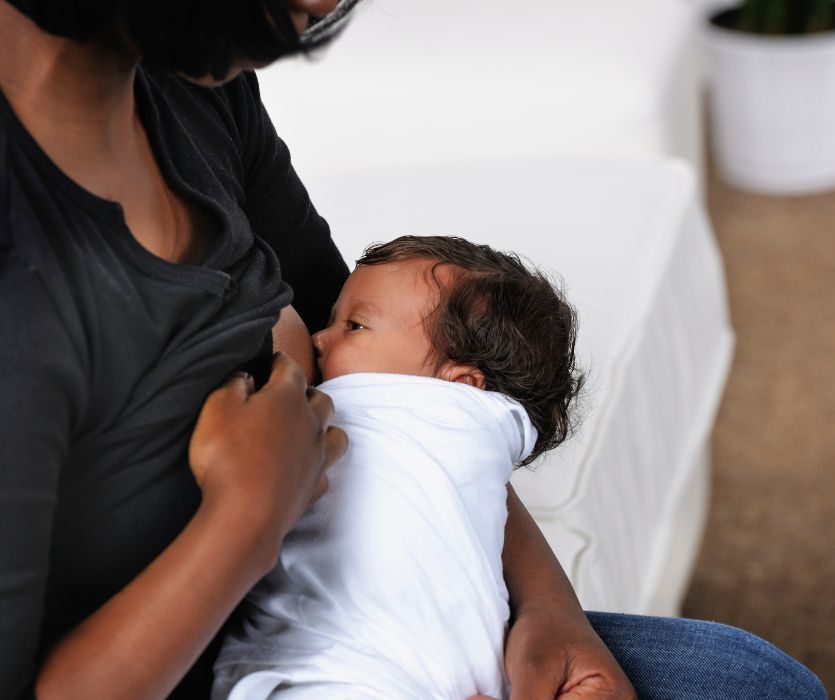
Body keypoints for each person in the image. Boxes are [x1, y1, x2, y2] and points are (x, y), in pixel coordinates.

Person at [0, 1, 826, 699]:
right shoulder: (26, 284)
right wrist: (248, 515)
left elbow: (405, 388)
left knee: (750, 677)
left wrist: (549, 615)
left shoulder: (188, 95)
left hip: (353, 624)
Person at [213, 235, 584, 699]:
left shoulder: (452, 418)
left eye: (355, 326)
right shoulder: (450, 413)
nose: (318, 338)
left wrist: (553, 604)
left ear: (460, 385)